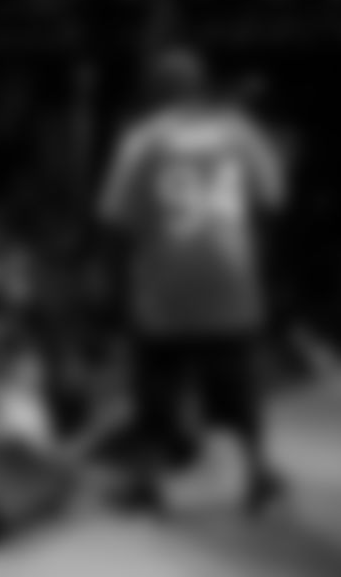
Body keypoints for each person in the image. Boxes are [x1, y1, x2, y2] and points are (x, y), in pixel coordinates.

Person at [95, 44, 289, 514]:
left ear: (154, 92)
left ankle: (145, 482)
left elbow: (114, 218)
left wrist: (116, 288)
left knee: (155, 387)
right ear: (200, 87)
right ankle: (257, 474)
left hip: (165, 289)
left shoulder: (141, 140)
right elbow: (272, 199)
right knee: (239, 385)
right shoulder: (239, 132)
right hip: (230, 283)